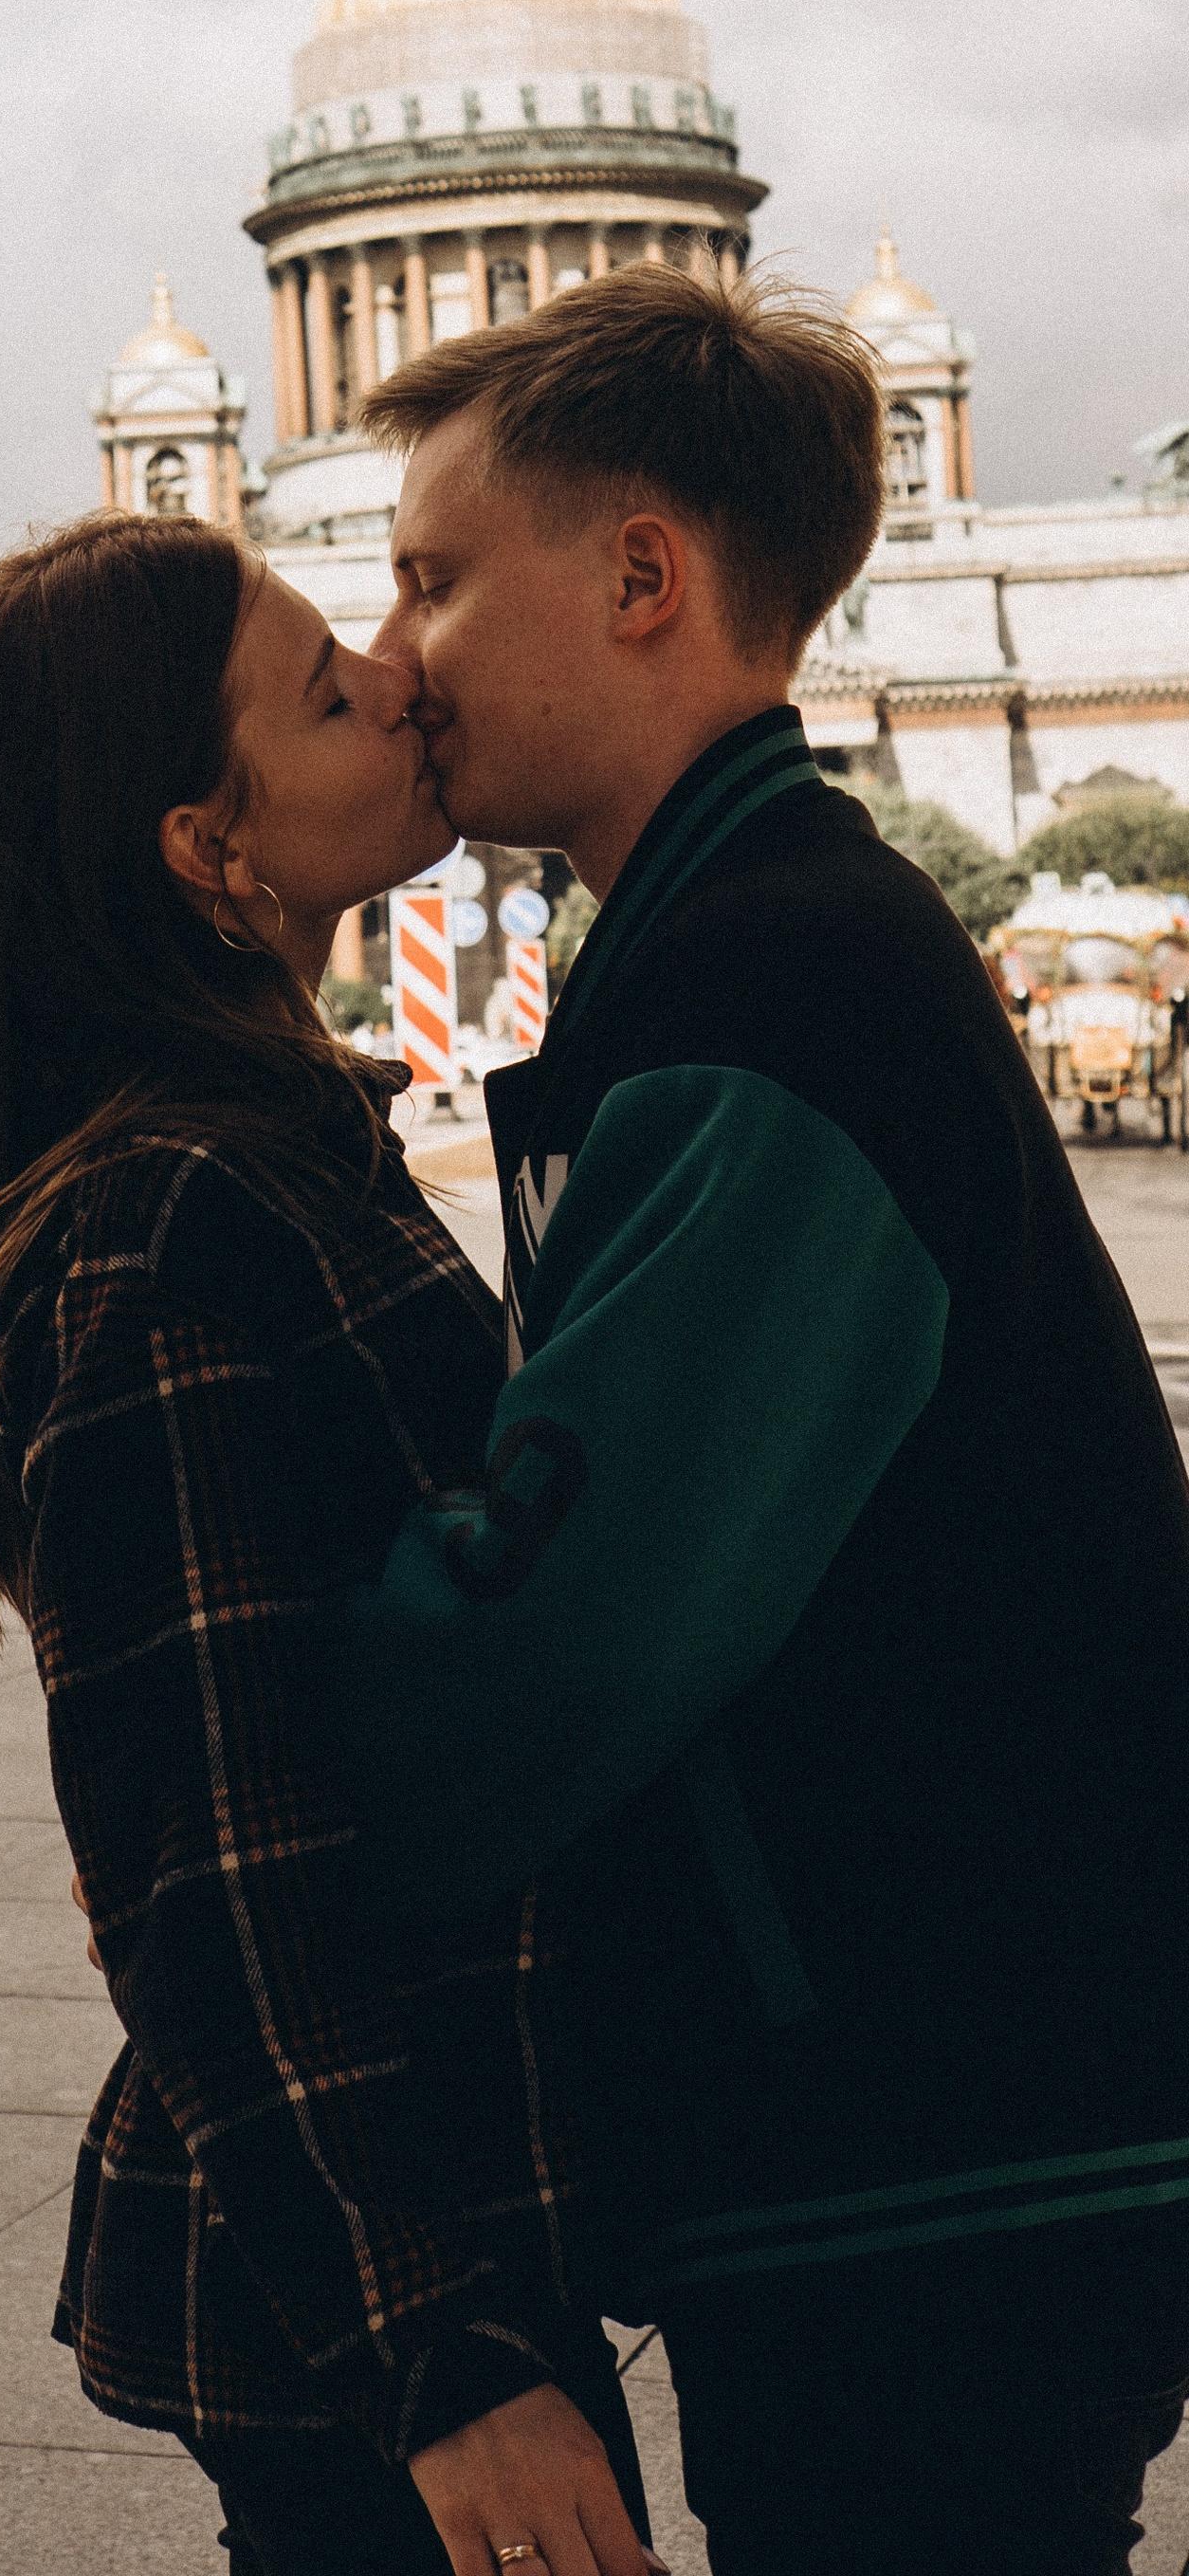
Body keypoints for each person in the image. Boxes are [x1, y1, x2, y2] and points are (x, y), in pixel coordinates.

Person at [332, 263, 1189, 2570]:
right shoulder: (758, 933)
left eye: (427, 574)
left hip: (920, 2143)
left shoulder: (766, 981)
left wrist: (268, 1692)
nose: (388, 651)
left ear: (638, 578)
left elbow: (567, 1637)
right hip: (943, 2105)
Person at [0, 512, 659, 2576]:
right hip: (388, 2285)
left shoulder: (252, 1154)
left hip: (409, 2225)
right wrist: (443, 2358)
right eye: (327, 687)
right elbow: (203, 1858)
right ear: (202, 850)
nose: (401, 679)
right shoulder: (177, 1221)